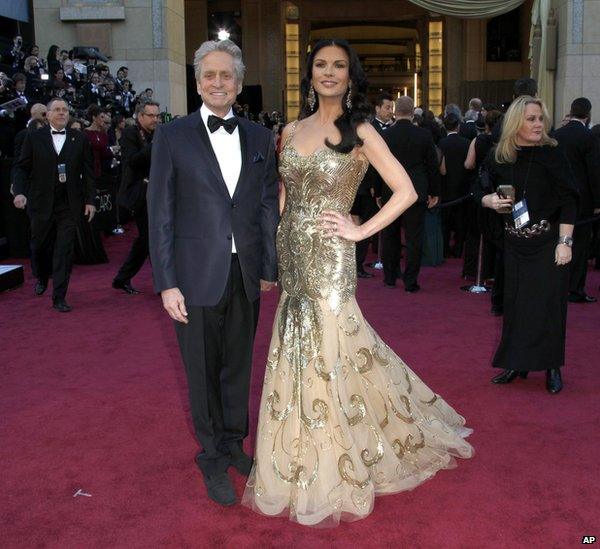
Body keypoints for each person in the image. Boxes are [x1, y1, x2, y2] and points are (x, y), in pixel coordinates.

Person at [243, 39, 472, 526]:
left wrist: (360, 229)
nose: (329, 73)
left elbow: (406, 190)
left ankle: (336, 455)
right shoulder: (289, 129)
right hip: (292, 255)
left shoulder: (361, 129)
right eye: (321, 65)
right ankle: (298, 448)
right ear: (309, 74)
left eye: (339, 66)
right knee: (297, 346)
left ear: (351, 76)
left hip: (330, 255)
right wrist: (269, 257)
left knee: (331, 346)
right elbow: (284, 195)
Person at [148, 40, 280, 506]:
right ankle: (210, 456)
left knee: (238, 366)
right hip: (192, 276)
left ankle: (233, 444)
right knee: (201, 371)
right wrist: (166, 282)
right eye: (209, 76)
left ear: (239, 84)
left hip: (244, 273)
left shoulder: (262, 139)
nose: (218, 83)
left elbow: (267, 210)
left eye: (226, 76)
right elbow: (159, 213)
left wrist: (267, 268)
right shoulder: (171, 136)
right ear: (198, 82)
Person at [480, 96, 578, 393]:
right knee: (516, 305)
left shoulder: (553, 154)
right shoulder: (500, 156)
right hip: (514, 245)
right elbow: (478, 189)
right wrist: (489, 200)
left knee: (548, 306)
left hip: (547, 243)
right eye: (531, 119)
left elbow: (570, 200)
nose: (538, 124)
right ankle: (516, 362)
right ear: (515, 123)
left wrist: (565, 242)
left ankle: (551, 367)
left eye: (540, 119)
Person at [12, 97, 96, 312]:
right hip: (41, 202)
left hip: (69, 204)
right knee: (40, 246)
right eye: (57, 110)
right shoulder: (34, 138)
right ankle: (41, 275)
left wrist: (89, 200)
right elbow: (21, 167)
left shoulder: (80, 138)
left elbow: (88, 173)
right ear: (47, 114)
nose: (61, 113)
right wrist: (20, 192)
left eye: (65, 110)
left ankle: (59, 296)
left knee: (64, 250)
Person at [379, 95, 440, 291]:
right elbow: (432, 165)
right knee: (414, 237)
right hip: (416, 191)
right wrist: (434, 191)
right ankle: (410, 281)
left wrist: (378, 192)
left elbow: (378, 166)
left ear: (395, 112)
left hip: (391, 190)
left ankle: (389, 277)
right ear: (413, 112)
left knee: (390, 235)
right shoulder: (423, 135)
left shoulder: (386, 136)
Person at [551, 97, 600, 303]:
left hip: (557, 199)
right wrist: (598, 202)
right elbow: (594, 172)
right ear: (588, 115)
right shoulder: (588, 137)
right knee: (579, 246)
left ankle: (557, 286)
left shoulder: (556, 135)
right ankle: (575, 289)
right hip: (583, 201)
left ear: (570, 111)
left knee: (558, 241)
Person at [113, 101, 160, 293]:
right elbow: (133, 161)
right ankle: (163, 284)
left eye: (157, 116)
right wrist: (156, 145)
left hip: (157, 193)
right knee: (151, 239)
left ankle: (122, 278)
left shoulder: (157, 133)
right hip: (139, 194)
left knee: (148, 240)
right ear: (140, 116)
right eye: (151, 116)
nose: (155, 119)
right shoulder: (130, 134)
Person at [352, 92, 394, 278]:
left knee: (363, 227)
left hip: (370, 187)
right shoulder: (366, 129)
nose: (390, 111)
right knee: (355, 223)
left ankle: (358, 264)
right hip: (358, 187)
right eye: (387, 107)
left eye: (392, 108)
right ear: (376, 109)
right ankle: (355, 264)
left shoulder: (387, 129)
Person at [439, 113, 472, 259]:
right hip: (462, 188)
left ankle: (445, 248)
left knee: (445, 221)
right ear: (458, 126)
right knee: (461, 221)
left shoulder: (441, 143)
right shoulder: (467, 143)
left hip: (446, 187)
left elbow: (442, 168)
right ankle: (458, 249)